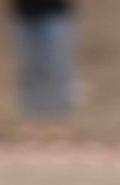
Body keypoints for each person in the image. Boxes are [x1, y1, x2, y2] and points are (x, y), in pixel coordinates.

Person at [11, 0, 76, 129]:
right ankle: (33, 115)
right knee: (29, 68)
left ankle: (59, 116)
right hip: (24, 13)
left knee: (56, 65)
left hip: (53, 12)